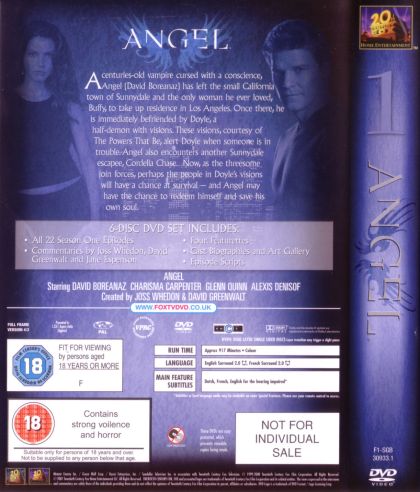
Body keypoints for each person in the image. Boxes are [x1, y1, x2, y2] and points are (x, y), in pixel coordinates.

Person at [5, 20, 100, 220]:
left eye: (48, 55)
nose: (41, 63)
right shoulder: (6, 103)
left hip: (72, 202)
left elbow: (88, 162)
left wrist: (96, 218)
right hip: (24, 209)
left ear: (56, 60)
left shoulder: (69, 106)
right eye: (33, 54)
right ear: (22, 56)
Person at [263, 20, 335, 220]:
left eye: (299, 69)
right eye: (278, 72)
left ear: (324, 70)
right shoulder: (285, 138)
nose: (287, 83)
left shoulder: (335, 138)